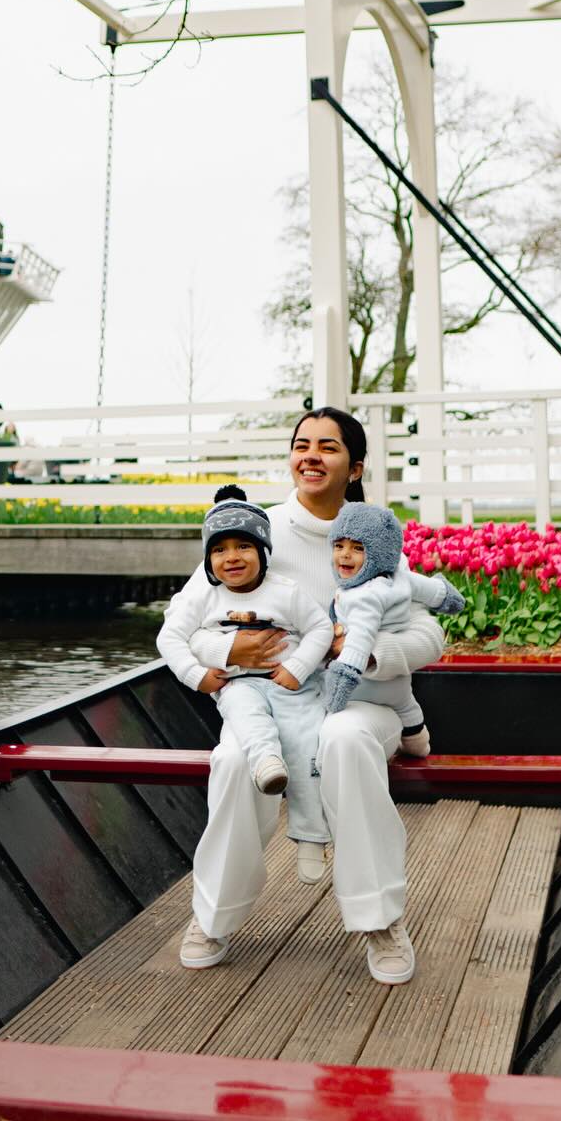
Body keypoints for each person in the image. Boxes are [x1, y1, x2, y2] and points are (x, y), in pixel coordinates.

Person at [172, 406, 444, 987]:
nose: (311, 456)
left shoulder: (373, 535)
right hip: (270, 698)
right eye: (302, 445)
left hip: (359, 702)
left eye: (328, 446)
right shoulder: (252, 531)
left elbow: (431, 635)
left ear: (355, 467)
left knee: (342, 738)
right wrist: (231, 650)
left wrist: (366, 652)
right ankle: (214, 915)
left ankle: (380, 919)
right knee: (234, 758)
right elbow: (185, 623)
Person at [159, 487, 336, 861]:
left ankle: (311, 836)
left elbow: (320, 628)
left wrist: (297, 668)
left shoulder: (285, 592)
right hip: (238, 684)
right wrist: (196, 676)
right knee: (246, 717)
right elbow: (170, 637)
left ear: (263, 552)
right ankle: (266, 763)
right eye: (219, 550)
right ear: (208, 560)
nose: (232, 557)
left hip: (290, 685)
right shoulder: (204, 597)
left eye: (243, 546)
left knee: (306, 744)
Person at [324, 502, 464, 749]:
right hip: (399, 684)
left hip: (364, 685)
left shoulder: (365, 597)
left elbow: (359, 641)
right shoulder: (398, 575)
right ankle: (418, 745)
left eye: (358, 548)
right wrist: (448, 597)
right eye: (339, 546)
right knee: (407, 707)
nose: (345, 554)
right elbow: (429, 588)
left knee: (336, 728)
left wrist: (341, 680)